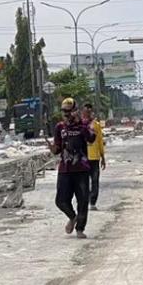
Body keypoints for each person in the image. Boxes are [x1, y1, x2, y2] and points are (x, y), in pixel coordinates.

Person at [50, 97, 96, 239]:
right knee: (60, 201)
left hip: (81, 169)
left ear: (75, 111)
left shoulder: (83, 126)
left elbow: (91, 138)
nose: (66, 114)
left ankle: (80, 228)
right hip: (65, 169)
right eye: (64, 111)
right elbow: (57, 149)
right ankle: (72, 217)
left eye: (69, 111)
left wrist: (86, 127)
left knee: (82, 201)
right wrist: (53, 149)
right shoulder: (60, 127)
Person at [81, 103, 106, 209]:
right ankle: (84, 201)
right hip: (83, 158)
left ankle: (92, 202)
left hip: (95, 158)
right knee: (84, 182)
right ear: (83, 112)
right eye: (86, 111)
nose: (88, 113)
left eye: (90, 111)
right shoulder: (79, 125)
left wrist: (103, 157)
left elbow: (100, 141)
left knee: (95, 181)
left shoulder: (96, 125)